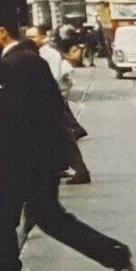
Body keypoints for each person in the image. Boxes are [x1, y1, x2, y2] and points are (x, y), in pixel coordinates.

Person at [0, 12, 136, 271]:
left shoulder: (16, 63)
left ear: (2, 32)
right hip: (38, 158)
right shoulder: (23, 60)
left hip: (19, 161)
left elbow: (9, 118)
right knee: (51, 219)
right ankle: (114, 254)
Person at [27, 26, 92, 185]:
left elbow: (53, 77)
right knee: (52, 136)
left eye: (34, 36)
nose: (30, 39)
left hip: (49, 101)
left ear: (44, 37)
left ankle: (80, 171)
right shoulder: (35, 53)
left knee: (61, 136)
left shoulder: (51, 54)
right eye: (28, 36)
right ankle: (58, 167)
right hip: (43, 101)